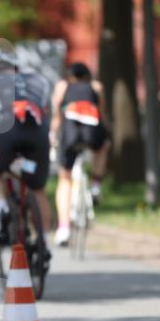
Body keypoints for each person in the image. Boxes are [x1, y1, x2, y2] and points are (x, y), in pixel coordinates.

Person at [0, 49, 52, 248]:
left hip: (5, 130)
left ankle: (2, 205)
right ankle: (43, 242)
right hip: (36, 132)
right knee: (38, 189)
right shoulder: (38, 81)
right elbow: (47, 112)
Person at [50, 62, 108, 246]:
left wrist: (53, 134)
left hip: (70, 134)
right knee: (103, 147)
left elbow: (57, 114)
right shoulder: (97, 86)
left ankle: (64, 227)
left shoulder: (62, 86)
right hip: (92, 132)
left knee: (65, 178)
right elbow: (101, 113)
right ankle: (96, 184)